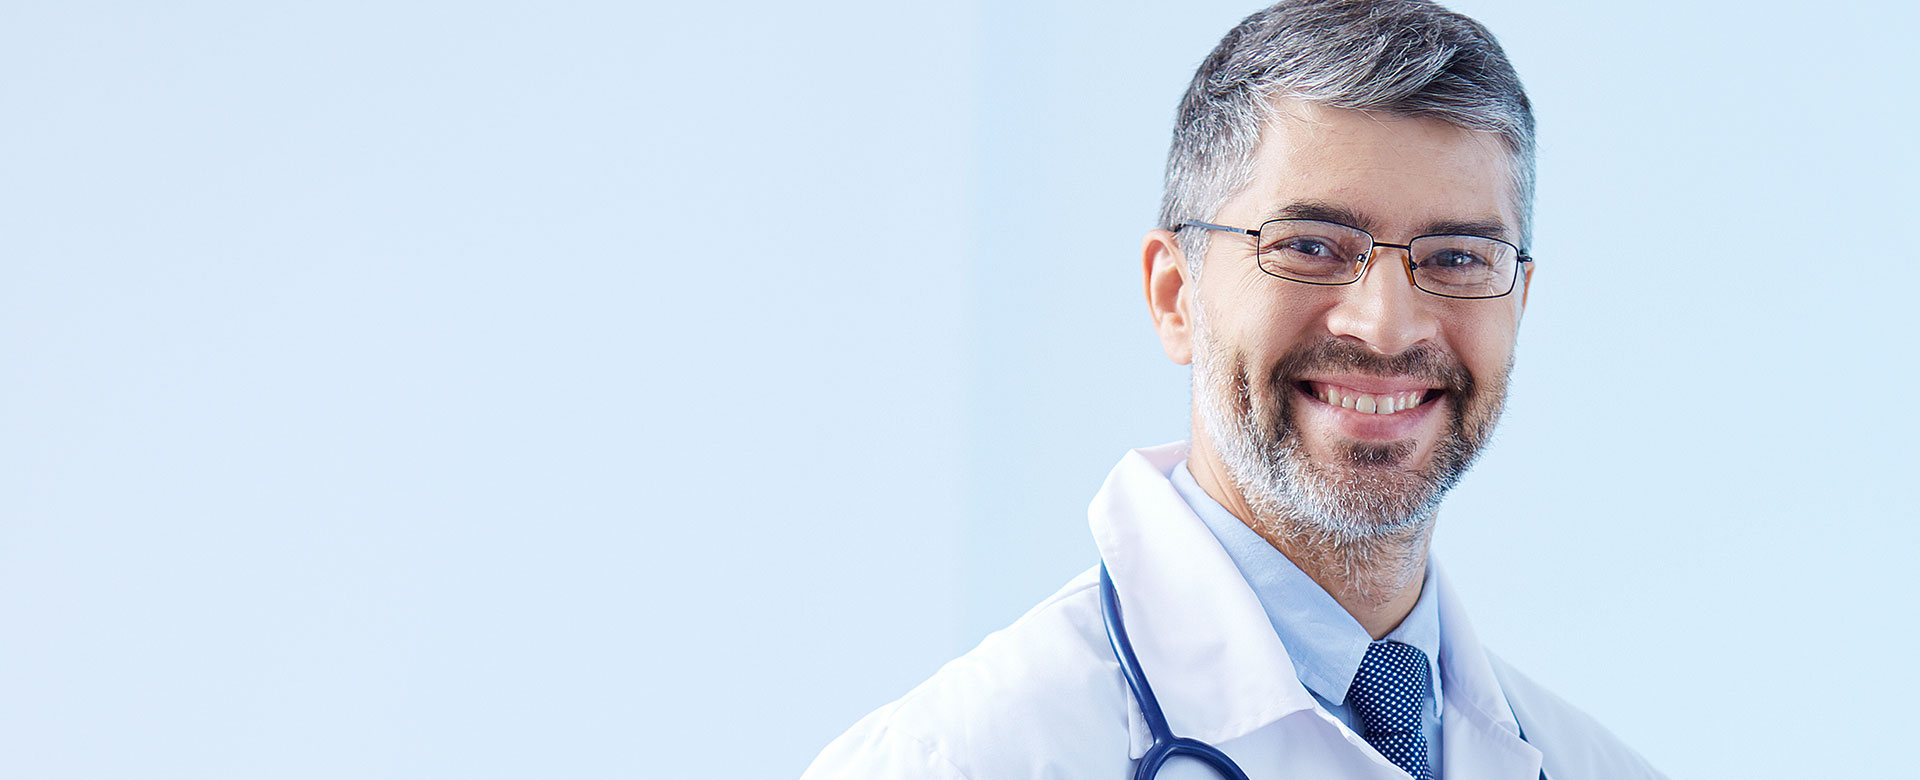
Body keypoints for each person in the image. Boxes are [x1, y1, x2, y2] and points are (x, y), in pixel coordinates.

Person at [805, 1, 1665, 778]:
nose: (1388, 326)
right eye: (1311, 245)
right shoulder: (959, 760)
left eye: (1457, 258)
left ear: (1518, 302)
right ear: (1175, 296)